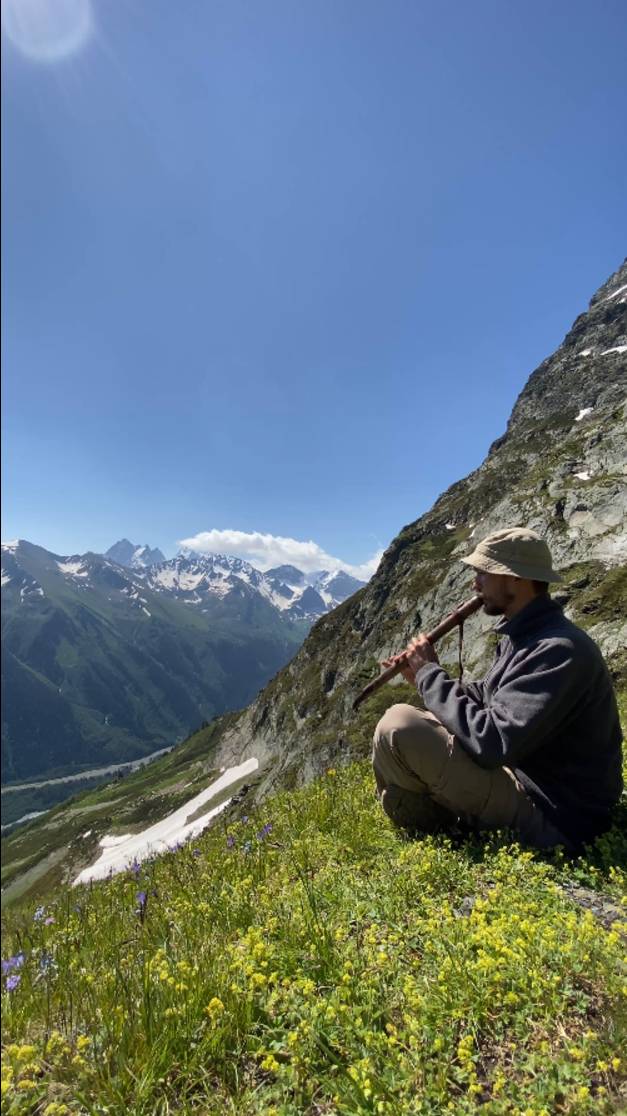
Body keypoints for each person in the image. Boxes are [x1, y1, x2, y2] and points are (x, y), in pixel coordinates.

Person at [372, 527, 623, 851]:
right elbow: (489, 696)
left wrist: (430, 675)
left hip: (556, 817)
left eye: (483, 573)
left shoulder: (559, 650)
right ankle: (438, 818)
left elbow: (491, 742)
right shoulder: (527, 637)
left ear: (515, 579)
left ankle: (444, 826)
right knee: (402, 726)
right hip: (528, 784)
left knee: (401, 725)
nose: (475, 584)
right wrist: (421, 676)